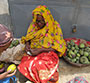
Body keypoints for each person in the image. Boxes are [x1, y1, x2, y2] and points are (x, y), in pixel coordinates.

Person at [18, 5, 66, 83]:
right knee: (25, 64)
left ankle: (40, 77)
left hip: (48, 52)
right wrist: (27, 45)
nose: (39, 23)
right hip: (33, 50)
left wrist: (41, 50)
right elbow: (28, 37)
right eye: (37, 21)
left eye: (41, 21)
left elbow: (58, 46)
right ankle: (37, 77)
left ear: (46, 19)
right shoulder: (33, 25)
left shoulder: (54, 26)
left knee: (40, 65)